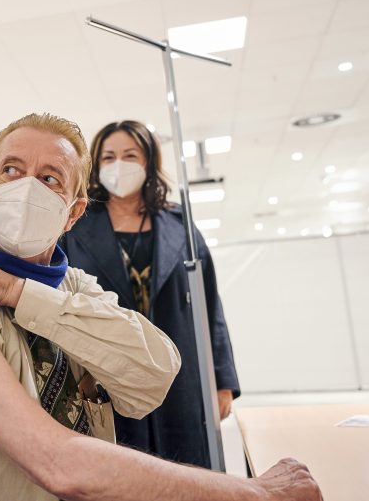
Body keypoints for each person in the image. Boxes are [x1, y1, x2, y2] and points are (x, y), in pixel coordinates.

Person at [0, 113, 321, 501]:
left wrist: (19, 292)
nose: (27, 187)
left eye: (49, 178)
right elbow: (58, 462)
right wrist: (256, 494)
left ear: (73, 212)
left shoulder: (74, 285)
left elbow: (155, 373)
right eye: (11, 170)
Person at [60, 120, 240, 468]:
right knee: (124, 471)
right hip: (108, 370)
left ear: (148, 162)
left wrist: (223, 381)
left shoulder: (179, 222)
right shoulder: (77, 225)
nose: (118, 164)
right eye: (108, 157)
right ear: (95, 165)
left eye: (130, 155)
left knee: (187, 472)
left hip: (181, 372)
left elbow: (210, 305)